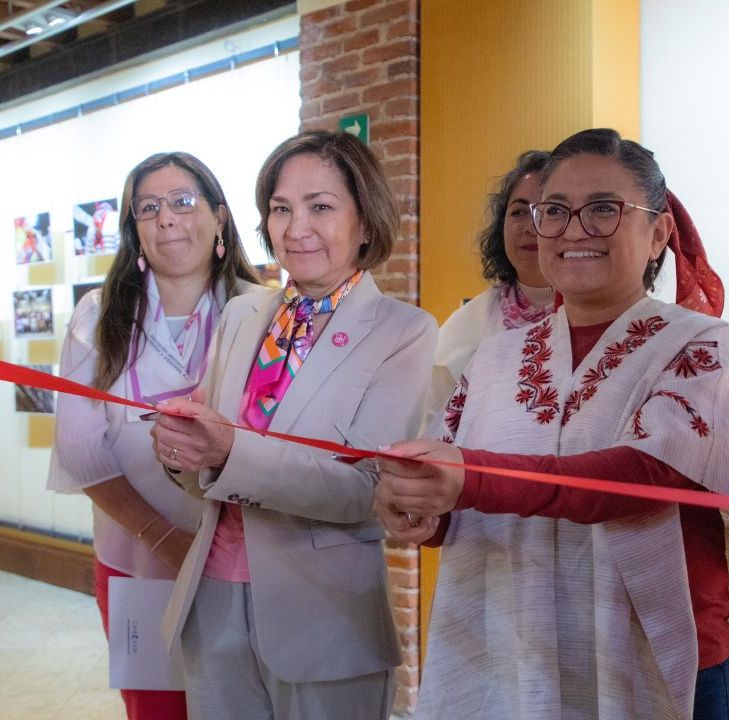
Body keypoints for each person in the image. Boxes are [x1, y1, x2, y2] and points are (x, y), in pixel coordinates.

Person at [374, 128, 729, 720]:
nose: (574, 230)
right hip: (510, 648)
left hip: (653, 661)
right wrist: (420, 508)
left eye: (605, 210)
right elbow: (457, 499)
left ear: (658, 232)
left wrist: (466, 478)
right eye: (553, 211)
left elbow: (642, 474)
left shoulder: (703, 343)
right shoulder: (496, 357)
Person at [149, 131, 437, 720]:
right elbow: (204, 464)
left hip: (324, 611)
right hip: (214, 595)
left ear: (365, 221)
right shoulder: (244, 311)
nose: (296, 226)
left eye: (321, 206)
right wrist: (178, 450)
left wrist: (226, 450)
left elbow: (363, 489)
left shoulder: (402, 330)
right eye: (281, 208)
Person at [48, 151, 260, 720]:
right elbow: (80, 450)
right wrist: (165, 539)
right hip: (135, 558)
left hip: (242, 563)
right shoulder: (99, 314)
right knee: (155, 708)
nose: (166, 218)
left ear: (219, 216)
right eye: (148, 207)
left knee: (241, 705)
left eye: (182, 201)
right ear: (134, 230)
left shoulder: (259, 310)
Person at [430, 149, 554, 414]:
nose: (530, 227)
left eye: (549, 210)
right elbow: (431, 426)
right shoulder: (466, 325)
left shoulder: (601, 317)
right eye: (519, 212)